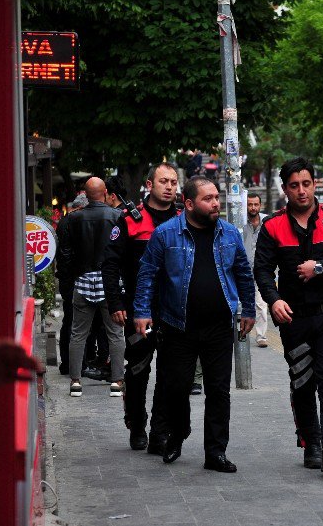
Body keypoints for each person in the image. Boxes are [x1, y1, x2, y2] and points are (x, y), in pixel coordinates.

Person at [132, 176, 255, 472]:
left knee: (218, 391)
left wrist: (248, 309)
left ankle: (215, 452)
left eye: (216, 198)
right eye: (208, 199)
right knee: (176, 388)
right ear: (188, 204)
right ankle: (179, 430)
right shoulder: (165, 234)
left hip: (218, 326)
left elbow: (243, 272)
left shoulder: (228, 233)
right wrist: (141, 311)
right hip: (178, 325)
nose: (216, 204)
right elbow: (147, 274)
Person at [253, 157, 323, 474]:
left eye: (306, 184)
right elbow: (261, 271)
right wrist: (273, 301)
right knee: (303, 382)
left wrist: (321, 267)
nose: (301, 191)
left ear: (314, 184)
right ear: (285, 189)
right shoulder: (272, 226)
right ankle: (311, 444)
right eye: (294, 186)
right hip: (293, 319)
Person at [102, 162, 179, 454]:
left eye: (173, 181)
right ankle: (136, 424)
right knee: (138, 370)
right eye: (163, 181)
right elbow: (110, 265)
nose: (169, 186)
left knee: (171, 373)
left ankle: (160, 430)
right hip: (139, 309)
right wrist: (115, 303)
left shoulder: (185, 218)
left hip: (175, 310)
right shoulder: (130, 221)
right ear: (149, 185)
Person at [60, 177, 125, 398]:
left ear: (85, 194)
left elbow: (66, 253)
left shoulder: (74, 218)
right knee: (116, 333)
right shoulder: (117, 216)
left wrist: (69, 279)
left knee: (78, 333)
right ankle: (117, 381)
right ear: (105, 192)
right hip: (110, 281)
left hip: (83, 279)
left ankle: (76, 381)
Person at [55, 193, 87, 375]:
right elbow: (67, 254)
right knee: (73, 321)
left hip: (67, 277)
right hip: (71, 278)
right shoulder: (72, 222)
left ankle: (68, 362)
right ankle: (70, 363)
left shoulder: (65, 221)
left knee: (70, 320)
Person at [242, 192, 269, 347]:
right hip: (242, 270)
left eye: (255, 204)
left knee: (261, 304)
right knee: (240, 304)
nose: (253, 207)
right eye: (250, 204)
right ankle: (239, 332)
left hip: (260, 269)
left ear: (260, 205)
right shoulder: (239, 223)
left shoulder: (266, 222)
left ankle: (261, 336)